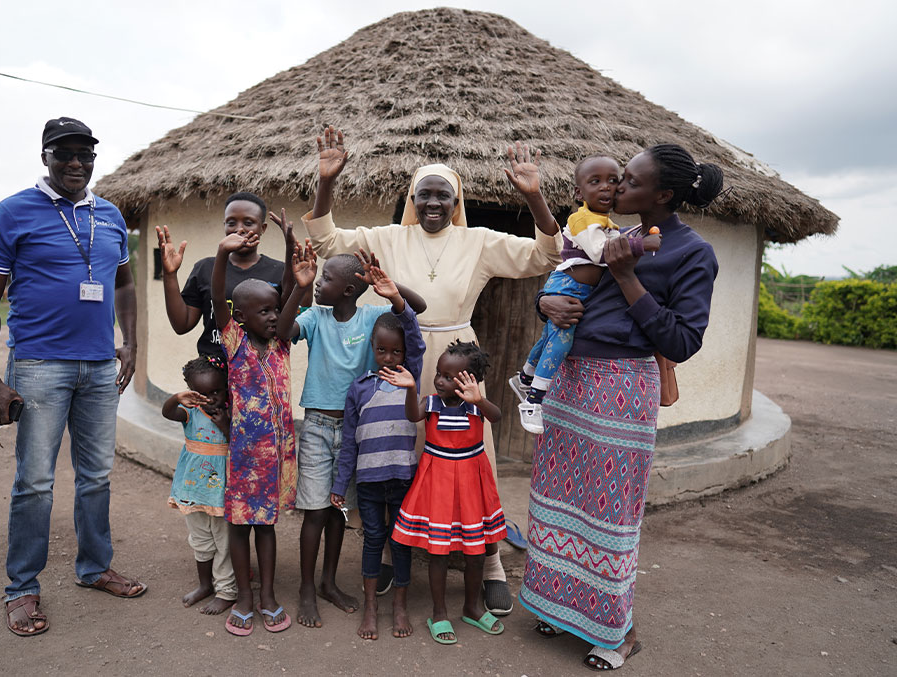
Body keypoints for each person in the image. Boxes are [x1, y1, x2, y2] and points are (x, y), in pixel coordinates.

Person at [302, 126, 563, 614]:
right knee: (393, 453)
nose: (434, 203)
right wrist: (327, 183)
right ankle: (387, 556)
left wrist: (534, 197)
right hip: (399, 357)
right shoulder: (385, 237)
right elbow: (327, 241)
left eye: (444, 194)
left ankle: (488, 565)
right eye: (425, 194)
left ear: (457, 201)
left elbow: (545, 256)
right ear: (413, 199)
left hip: (456, 359)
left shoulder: (479, 241)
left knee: (472, 457)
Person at [520, 143, 722, 671]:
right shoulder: (613, 235)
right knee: (557, 496)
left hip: (622, 389)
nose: (616, 188)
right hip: (571, 382)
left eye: (629, 181)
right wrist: (546, 302)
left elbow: (682, 341)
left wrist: (628, 275)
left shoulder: (690, 252)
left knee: (609, 511)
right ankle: (558, 609)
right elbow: (570, 282)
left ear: (664, 195)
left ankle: (617, 632)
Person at [0, 117, 144, 638]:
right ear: (44, 156)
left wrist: (130, 342)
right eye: (64, 153)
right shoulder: (12, 213)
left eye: (85, 154)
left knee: (96, 476)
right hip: (39, 365)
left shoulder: (110, 215)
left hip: (97, 368)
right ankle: (21, 587)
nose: (76, 163)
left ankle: (94, 568)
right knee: (35, 482)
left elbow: (125, 284)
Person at [277, 240, 426, 629]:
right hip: (318, 427)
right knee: (314, 510)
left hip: (358, 432)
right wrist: (298, 285)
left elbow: (416, 311)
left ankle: (328, 582)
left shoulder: (373, 318)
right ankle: (307, 589)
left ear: (347, 289)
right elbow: (281, 331)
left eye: (325, 277)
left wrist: (390, 287)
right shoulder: (314, 317)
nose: (318, 281)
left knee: (339, 510)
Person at [503, 145, 661, 434]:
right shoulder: (584, 219)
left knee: (550, 337)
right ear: (578, 193)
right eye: (595, 181)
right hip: (568, 287)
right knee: (561, 342)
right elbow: (602, 254)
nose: (606, 188)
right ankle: (534, 401)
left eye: (613, 180)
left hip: (576, 289)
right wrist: (642, 244)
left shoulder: (605, 222)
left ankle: (525, 377)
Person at [381, 341, 506, 645]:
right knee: (438, 551)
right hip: (437, 482)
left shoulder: (477, 405)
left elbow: (497, 416)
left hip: (471, 483)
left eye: (449, 377)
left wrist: (480, 399)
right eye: (439, 373)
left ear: (469, 380)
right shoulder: (431, 402)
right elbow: (412, 416)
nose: (440, 380)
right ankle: (439, 612)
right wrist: (411, 389)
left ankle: (472, 607)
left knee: (476, 552)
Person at [329, 272, 426, 640]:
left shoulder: (409, 378)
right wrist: (341, 484)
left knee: (400, 542)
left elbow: (415, 340)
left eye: (397, 351)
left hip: (403, 479)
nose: (390, 357)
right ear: (372, 347)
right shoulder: (359, 389)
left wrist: (398, 301)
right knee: (373, 540)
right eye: (383, 350)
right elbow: (350, 443)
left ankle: (399, 606)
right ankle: (371, 607)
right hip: (369, 482)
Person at [211, 229, 297, 636]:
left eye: (274, 309)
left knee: (267, 526)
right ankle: (244, 597)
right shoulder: (235, 343)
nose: (271, 316)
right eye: (263, 311)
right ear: (241, 316)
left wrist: (297, 265)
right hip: (245, 456)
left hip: (277, 455)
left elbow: (294, 293)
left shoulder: (282, 342)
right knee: (240, 526)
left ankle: (267, 597)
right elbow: (216, 301)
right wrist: (221, 256)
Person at [155, 194, 303, 357]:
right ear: (224, 225)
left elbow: (288, 321)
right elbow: (181, 324)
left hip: (260, 372)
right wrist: (170, 275)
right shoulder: (205, 268)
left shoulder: (279, 271)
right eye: (231, 222)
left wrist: (291, 249)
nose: (239, 229)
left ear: (263, 228)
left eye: (248, 222)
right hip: (213, 373)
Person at [163, 355, 236, 615]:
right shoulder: (190, 413)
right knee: (200, 540)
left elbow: (240, 446)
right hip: (194, 490)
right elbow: (167, 412)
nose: (211, 398)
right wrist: (177, 398)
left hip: (220, 493)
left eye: (217, 391)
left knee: (224, 543)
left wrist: (225, 424)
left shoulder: (232, 413)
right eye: (202, 393)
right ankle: (205, 585)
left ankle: (227, 591)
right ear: (191, 392)